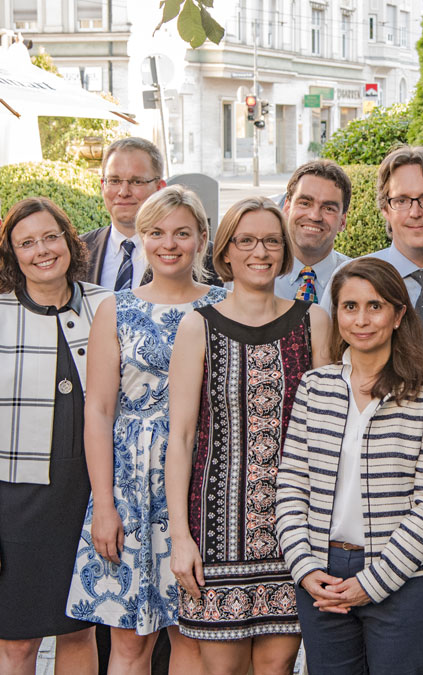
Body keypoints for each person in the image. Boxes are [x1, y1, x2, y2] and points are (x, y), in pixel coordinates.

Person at [166, 197, 330, 675]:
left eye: (272, 241)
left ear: (285, 250)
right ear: (226, 251)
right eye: (247, 241)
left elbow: (328, 431)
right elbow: (181, 437)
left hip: (293, 528)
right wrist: (181, 537)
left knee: (278, 667)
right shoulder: (198, 326)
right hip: (216, 529)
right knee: (223, 670)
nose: (260, 252)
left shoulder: (313, 321)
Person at [65, 185, 223, 674]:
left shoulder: (224, 306)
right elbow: (99, 411)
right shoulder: (117, 308)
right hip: (130, 485)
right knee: (130, 643)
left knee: (193, 637)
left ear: (202, 238)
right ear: (142, 238)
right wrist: (104, 505)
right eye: (156, 232)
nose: (168, 244)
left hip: (202, 479)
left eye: (182, 233)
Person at [275, 257, 423, 675]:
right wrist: (305, 568)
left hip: (402, 581)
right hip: (323, 577)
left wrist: (372, 584)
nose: (361, 319)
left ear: (398, 315)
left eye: (375, 306)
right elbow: (290, 488)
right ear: (336, 313)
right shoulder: (315, 387)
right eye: (350, 306)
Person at [0, 198, 108, 675]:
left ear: (70, 239)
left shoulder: (106, 305)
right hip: (16, 502)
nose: (42, 250)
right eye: (27, 243)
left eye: (50, 237)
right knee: (17, 640)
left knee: (80, 630)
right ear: (12, 254)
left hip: (90, 496)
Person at [323, 145, 423, 380]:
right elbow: (327, 360)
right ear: (385, 209)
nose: (415, 212)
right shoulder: (350, 280)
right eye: (401, 200)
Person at [81, 137, 219, 290]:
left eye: (137, 182)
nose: (123, 192)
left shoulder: (211, 258)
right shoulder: (77, 251)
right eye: (114, 180)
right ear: (103, 185)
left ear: (160, 187)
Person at [274, 159, 352, 303]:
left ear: (342, 221)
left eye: (328, 208)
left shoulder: (359, 280)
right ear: (287, 208)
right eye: (305, 203)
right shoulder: (254, 274)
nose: (314, 216)